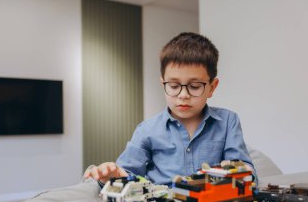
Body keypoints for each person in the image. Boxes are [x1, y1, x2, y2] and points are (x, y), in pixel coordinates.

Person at [84, 32, 256, 186]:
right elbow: (128, 174)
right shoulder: (147, 130)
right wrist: (113, 174)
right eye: (173, 86)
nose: (183, 95)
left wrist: (240, 171)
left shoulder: (228, 121)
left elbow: (246, 171)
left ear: (212, 87)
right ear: (163, 84)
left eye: (195, 86)